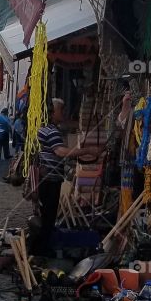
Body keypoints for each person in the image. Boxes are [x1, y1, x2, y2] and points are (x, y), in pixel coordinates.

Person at [35, 98, 104, 253]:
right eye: (60, 109)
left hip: (49, 177)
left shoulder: (48, 128)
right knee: (48, 216)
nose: (63, 112)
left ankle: (43, 246)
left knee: (48, 215)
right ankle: (42, 249)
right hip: (50, 179)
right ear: (52, 112)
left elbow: (66, 127)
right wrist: (88, 151)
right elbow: (62, 152)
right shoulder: (51, 131)